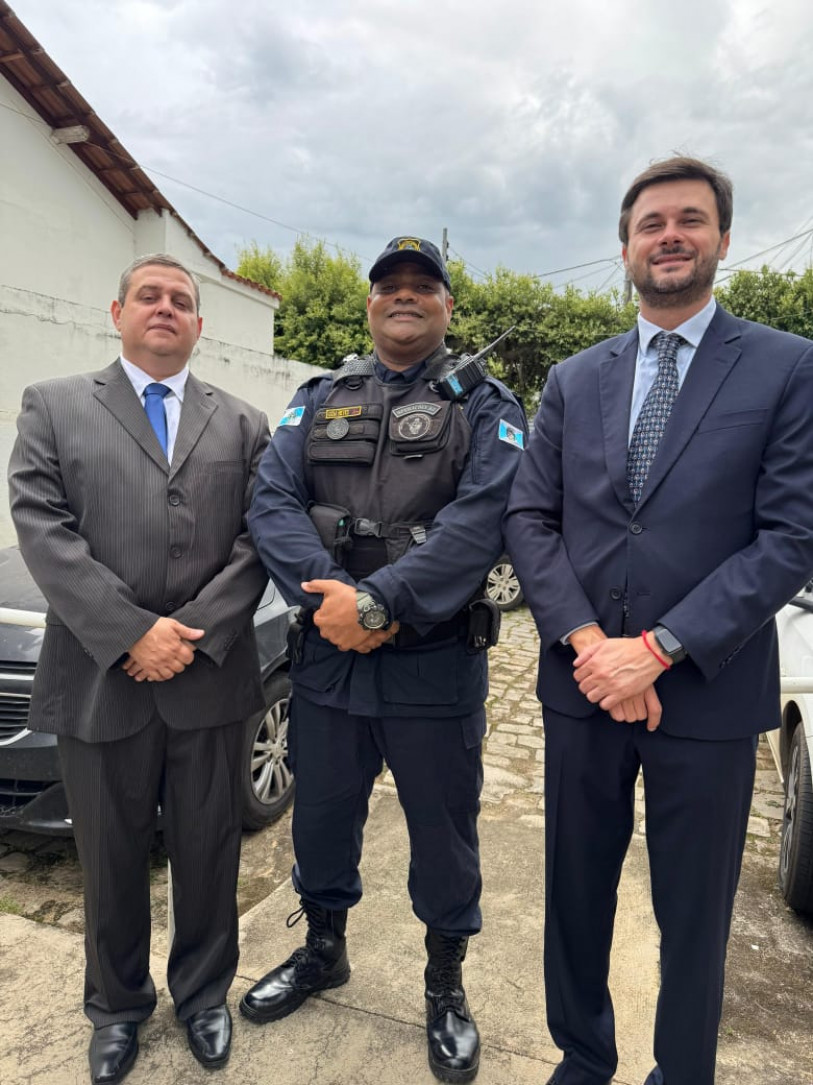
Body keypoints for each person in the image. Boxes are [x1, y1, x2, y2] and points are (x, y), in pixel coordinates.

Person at [504, 156, 813, 1085]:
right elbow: (530, 517)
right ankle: (582, 1055)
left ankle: (681, 1071)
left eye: (688, 219)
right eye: (650, 223)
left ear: (721, 237)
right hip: (583, 685)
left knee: (693, 910)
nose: (668, 236)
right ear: (625, 246)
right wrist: (592, 645)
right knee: (574, 895)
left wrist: (660, 649)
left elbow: (790, 534)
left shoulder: (786, 366)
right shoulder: (571, 378)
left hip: (707, 693)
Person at [245, 236, 527, 1083]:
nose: (404, 296)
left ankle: (444, 984)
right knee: (323, 818)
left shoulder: (486, 405)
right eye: (388, 287)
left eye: (422, 286)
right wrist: (334, 597)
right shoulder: (318, 396)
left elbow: (484, 519)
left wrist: (381, 602)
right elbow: (271, 499)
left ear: (445, 307)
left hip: (433, 664)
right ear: (370, 305)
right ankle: (323, 951)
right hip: (330, 664)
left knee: (443, 835)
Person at [8, 254, 270, 1084]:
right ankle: (116, 1008)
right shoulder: (52, 406)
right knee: (111, 858)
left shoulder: (242, 423)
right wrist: (129, 633)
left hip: (209, 678)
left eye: (182, 301)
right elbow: (42, 527)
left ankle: (201, 998)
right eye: (150, 296)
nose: (166, 309)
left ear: (199, 325)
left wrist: (185, 634)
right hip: (98, 678)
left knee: (209, 850)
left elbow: (260, 539)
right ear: (117, 310)